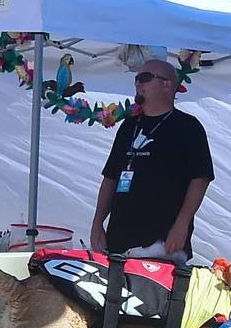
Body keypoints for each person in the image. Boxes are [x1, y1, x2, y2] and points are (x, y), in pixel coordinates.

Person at [89, 59, 213, 263]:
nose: (138, 83)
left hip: (162, 244)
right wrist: (97, 223)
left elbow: (200, 179)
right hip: (120, 240)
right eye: (137, 79)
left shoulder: (188, 127)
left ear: (167, 84)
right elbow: (110, 178)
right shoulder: (129, 126)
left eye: (145, 78)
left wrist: (182, 224)